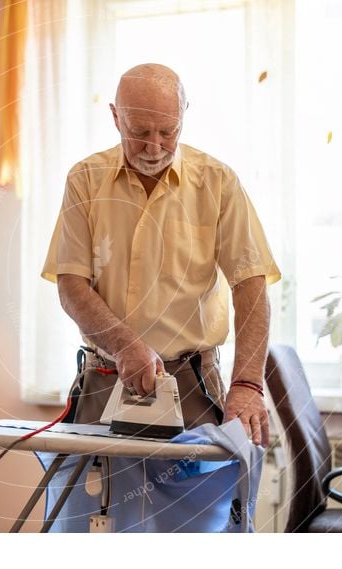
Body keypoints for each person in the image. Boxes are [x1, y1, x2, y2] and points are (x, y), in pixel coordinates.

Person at [41, 63, 281, 446]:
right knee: (93, 502)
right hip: (105, 376)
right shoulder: (84, 180)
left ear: (184, 116)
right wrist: (124, 345)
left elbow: (251, 284)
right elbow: (71, 285)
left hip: (193, 383)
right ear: (116, 118)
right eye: (139, 133)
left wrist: (248, 383)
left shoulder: (218, 183)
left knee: (201, 502)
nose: (154, 147)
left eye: (167, 132)